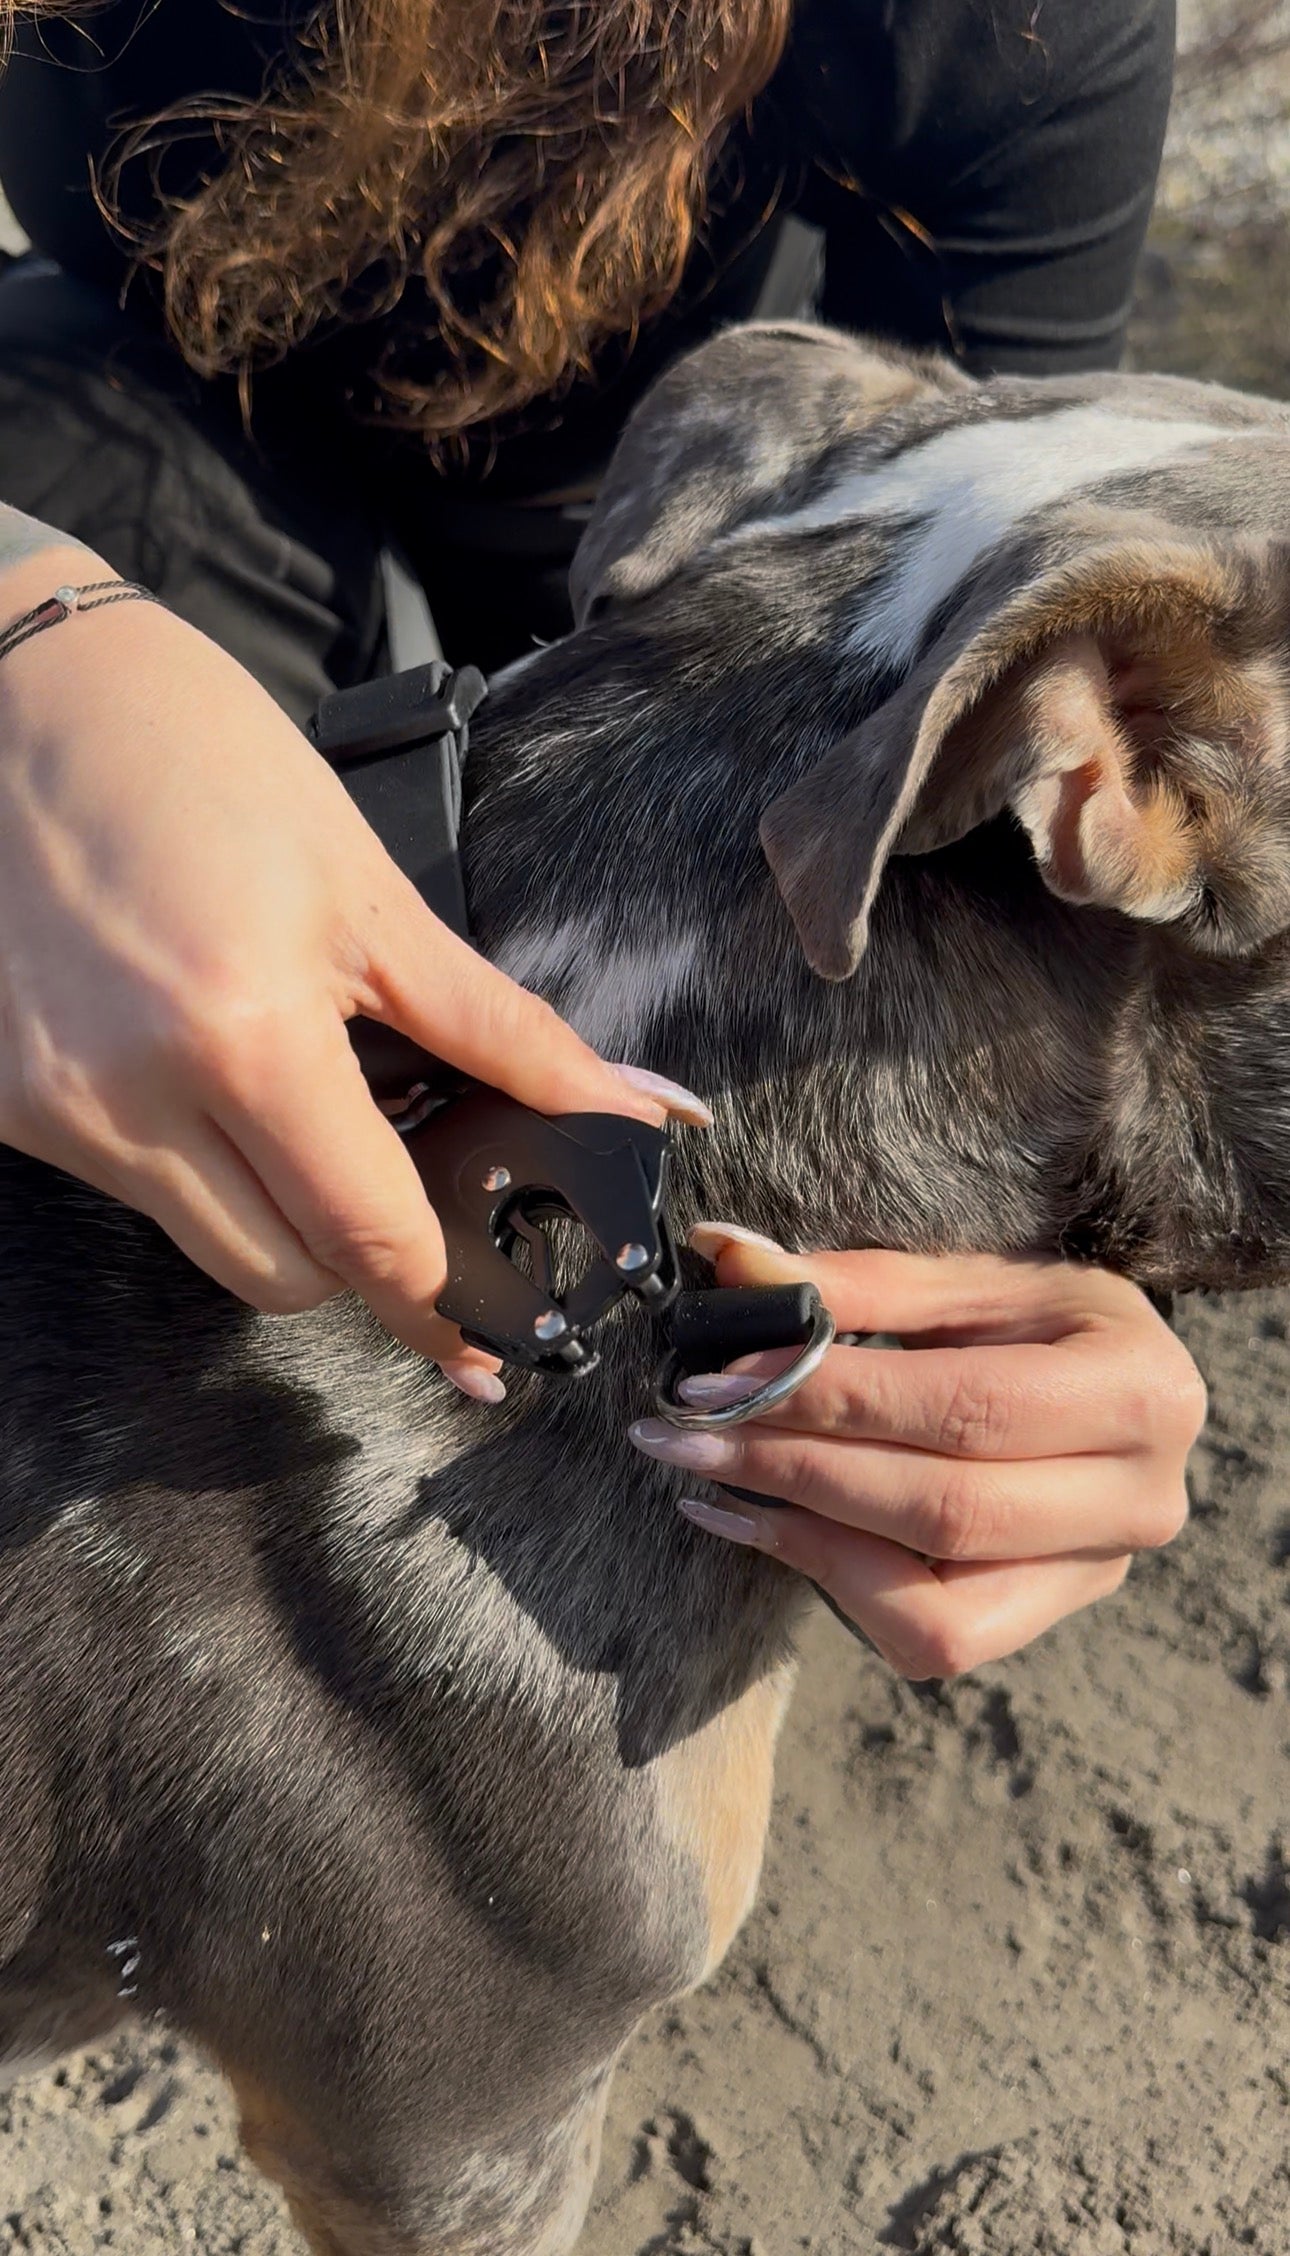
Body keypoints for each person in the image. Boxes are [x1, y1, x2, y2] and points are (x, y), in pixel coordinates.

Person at [0, 0, 1204, 1675]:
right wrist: (22, 623)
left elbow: (1021, 714)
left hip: (660, 539)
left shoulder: (999, 30)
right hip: (142, 427)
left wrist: (1061, 1267)